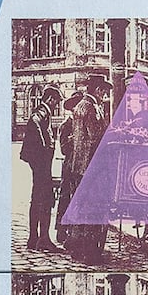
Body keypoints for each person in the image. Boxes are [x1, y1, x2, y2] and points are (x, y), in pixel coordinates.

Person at [57, 75, 112, 263]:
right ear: (97, 90)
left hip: (80, 166)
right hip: (91, 166)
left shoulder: (81, 106)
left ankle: (77, 249)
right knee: (92, 209)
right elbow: (95, 136)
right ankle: (89, 253)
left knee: (81, 208)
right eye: (103, 90)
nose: (105, 94)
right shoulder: (90, 107)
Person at [19, 87, 61, 252]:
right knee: (43, 199)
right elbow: (34, 121)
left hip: (41, 163)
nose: (56, 104)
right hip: (41, 163)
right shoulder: (42, 111)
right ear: (50, 99)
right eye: (56, 101)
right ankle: (41, 239)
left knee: (39, 198)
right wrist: (45, 145)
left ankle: (36, 238)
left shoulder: (44, 111)